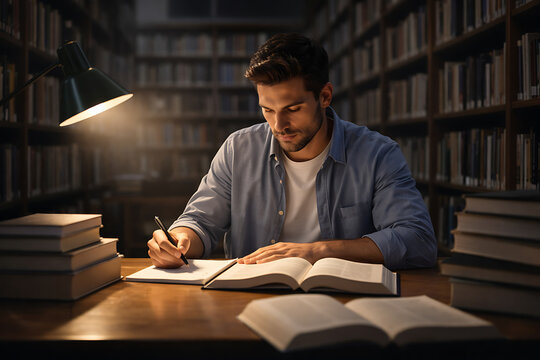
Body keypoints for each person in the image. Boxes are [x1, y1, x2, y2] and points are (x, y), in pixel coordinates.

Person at [147, 33, 437, 270]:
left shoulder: (378, 154)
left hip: (343, 300)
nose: (278, 124)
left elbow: (418, 241)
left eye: (293, 109)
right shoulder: (238, 149)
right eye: (267, 110)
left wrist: (317, 251)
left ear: (324, 96)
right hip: (249, 297)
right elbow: (200, 222)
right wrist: (179, 239)